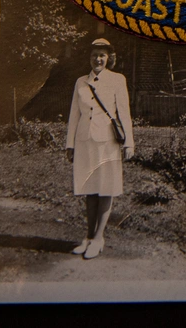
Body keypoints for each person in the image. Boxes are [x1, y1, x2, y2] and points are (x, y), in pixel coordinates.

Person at [65, 38, 135, 259]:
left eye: (102, 55)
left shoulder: (117, 80)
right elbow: (74, 115)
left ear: (109, 58)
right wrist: (70, 144)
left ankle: (98, 238)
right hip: (85, 141)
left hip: (108, 142)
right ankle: (88, 237)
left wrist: (129, 142)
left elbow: (124, 113)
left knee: (106, 188)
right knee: (90, 188)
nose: (98, 59)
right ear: (90, 57)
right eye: (95, 54)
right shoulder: (80, 82)